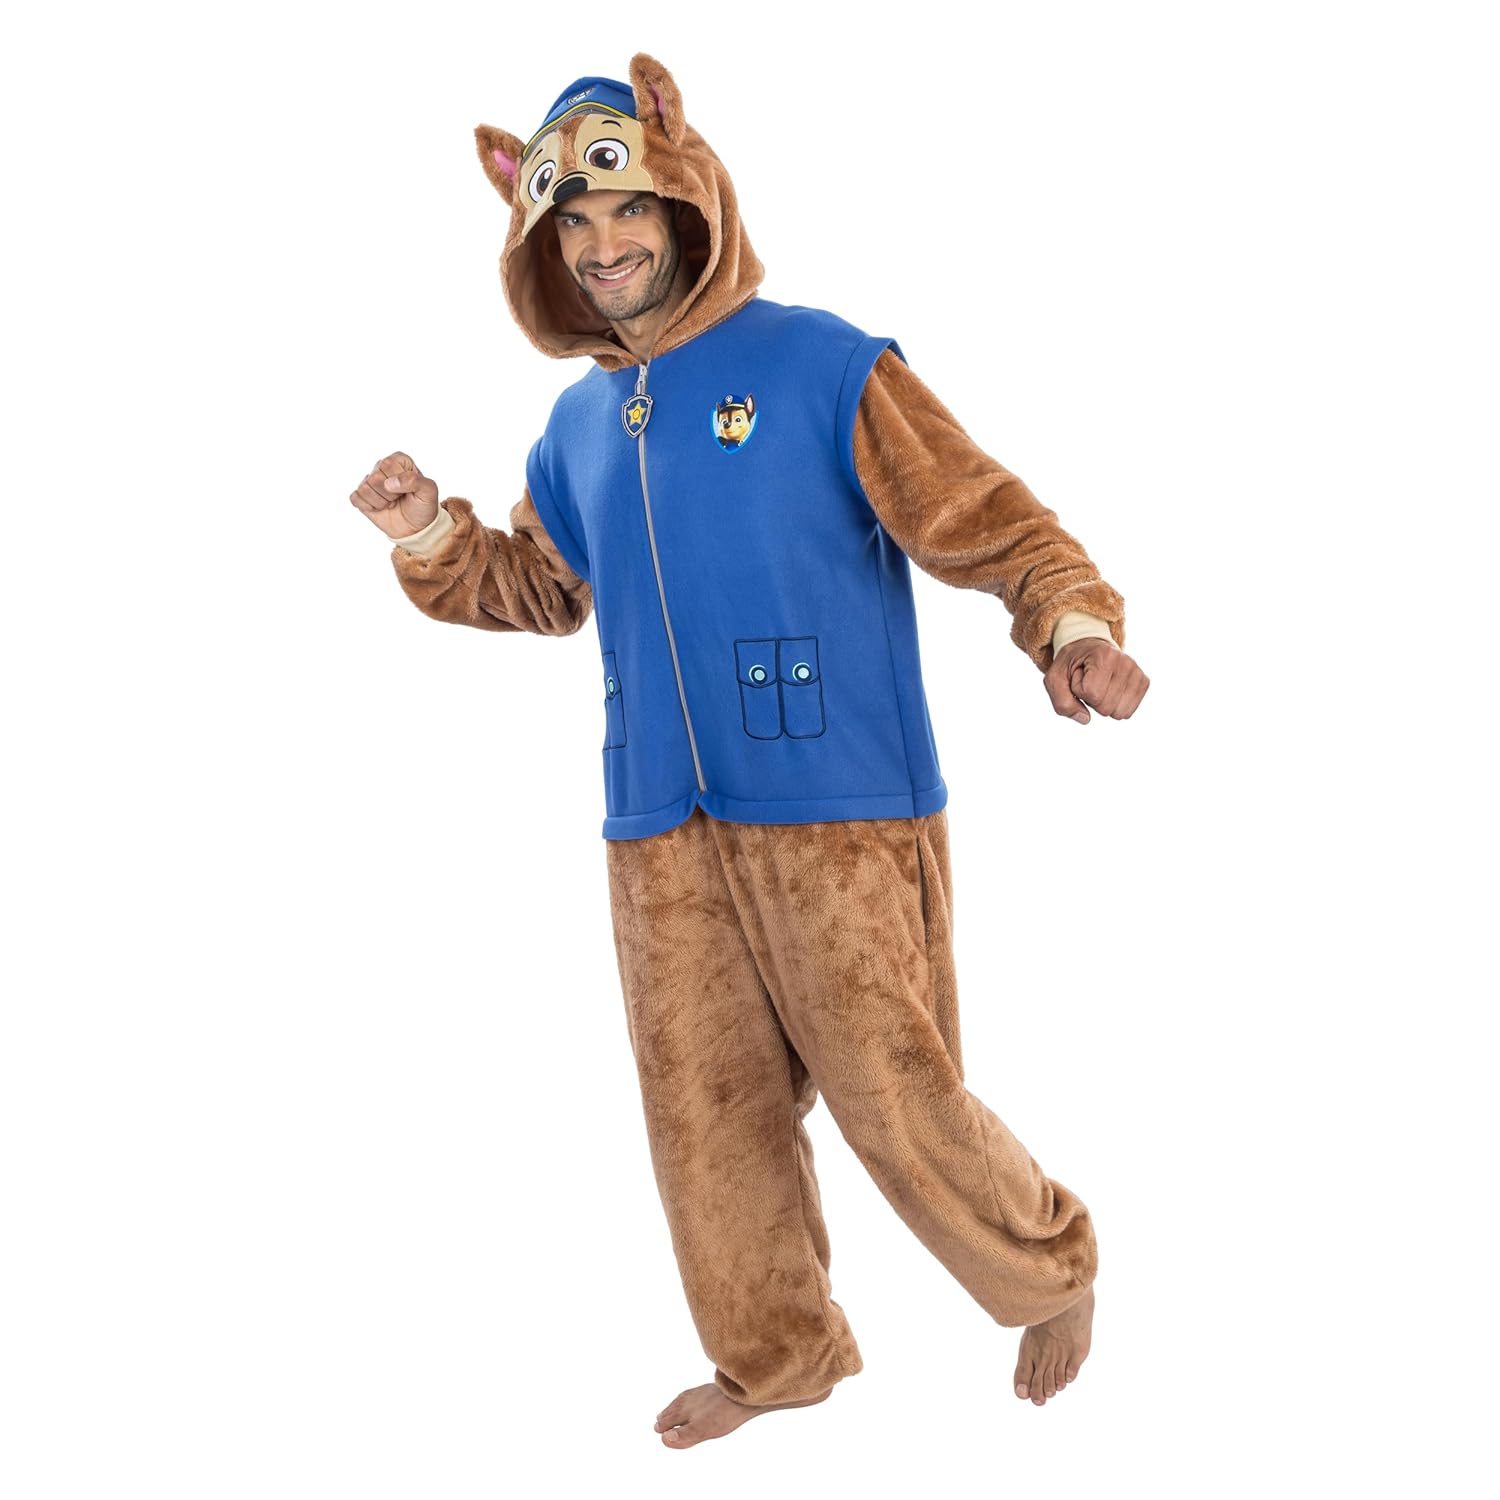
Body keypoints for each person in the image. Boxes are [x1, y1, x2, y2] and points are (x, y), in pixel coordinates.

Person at [349, 54, 1149, 1449]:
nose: (602, 246)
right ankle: (779, 1358)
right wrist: (428, 532)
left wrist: (1071, 625)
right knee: (705, 1119)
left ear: (684, 203)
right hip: (658, 821)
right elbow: (541, 589)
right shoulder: (576, 427)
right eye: (572, 226)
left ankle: (1047, 1270)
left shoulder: (825, 364)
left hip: (836, 802)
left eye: (625, 212)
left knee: (894, 1092)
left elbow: (987, 518)